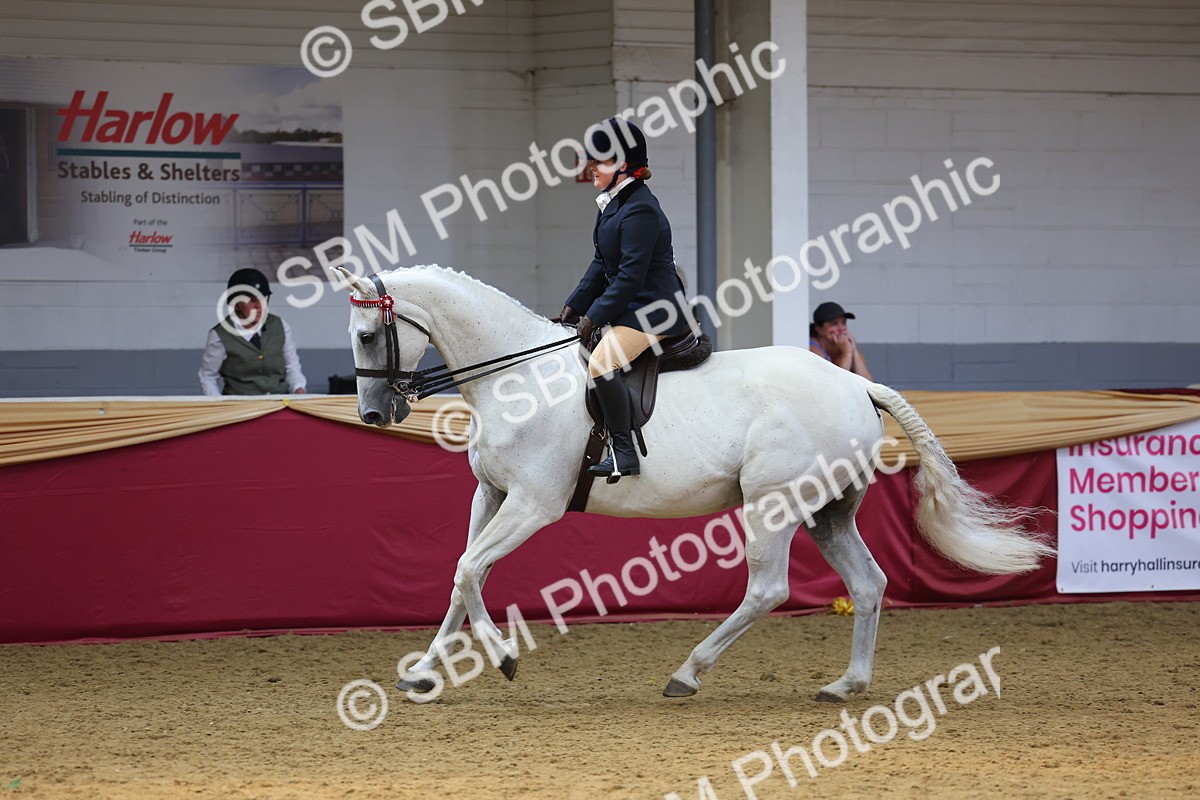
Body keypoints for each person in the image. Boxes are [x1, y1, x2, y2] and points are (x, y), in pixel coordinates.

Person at [554, 118, 692, 481]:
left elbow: (630, 277)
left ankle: (623, 452)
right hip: (631, 307)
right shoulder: (613, 204)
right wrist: (573, 307)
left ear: (622, 165)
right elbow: (601, 263)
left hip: (654, 312)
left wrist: (594, 317)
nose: (591, 168)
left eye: (598, 162)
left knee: (602, 364)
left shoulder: (640, 209)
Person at [199, 267, 307, 395]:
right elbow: (208, 377)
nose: (259, 306)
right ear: (237, 303)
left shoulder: (280, 326)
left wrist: (298, 388)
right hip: (241, 409)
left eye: (262, 298)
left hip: (279, 404)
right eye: (250, 300)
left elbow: (292, 367)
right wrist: (219, 406)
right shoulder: (219, 335)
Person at [809, 301, 873, 380]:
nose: (841, 329)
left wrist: (853, 351)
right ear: (818, 329)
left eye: (843, 323)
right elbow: (834, 385)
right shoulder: (813, 350)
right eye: (834, 324)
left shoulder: (847, 347)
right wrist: (846, 354)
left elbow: (869, 384)